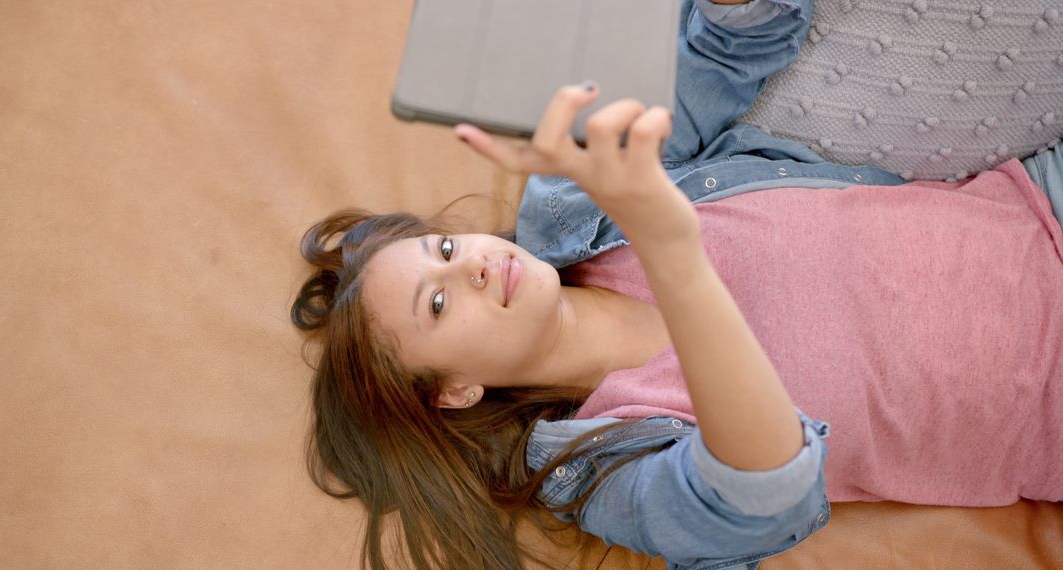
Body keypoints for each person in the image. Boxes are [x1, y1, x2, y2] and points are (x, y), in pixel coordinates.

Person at [291, 0, 1063, 568]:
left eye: (445, 248)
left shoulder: (574, 201)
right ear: (453, 390)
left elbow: (732, 49)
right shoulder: (599, 465)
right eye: (437, 301)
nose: (471, 265)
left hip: (1041, 202)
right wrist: (667, 244)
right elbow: (764, 501)